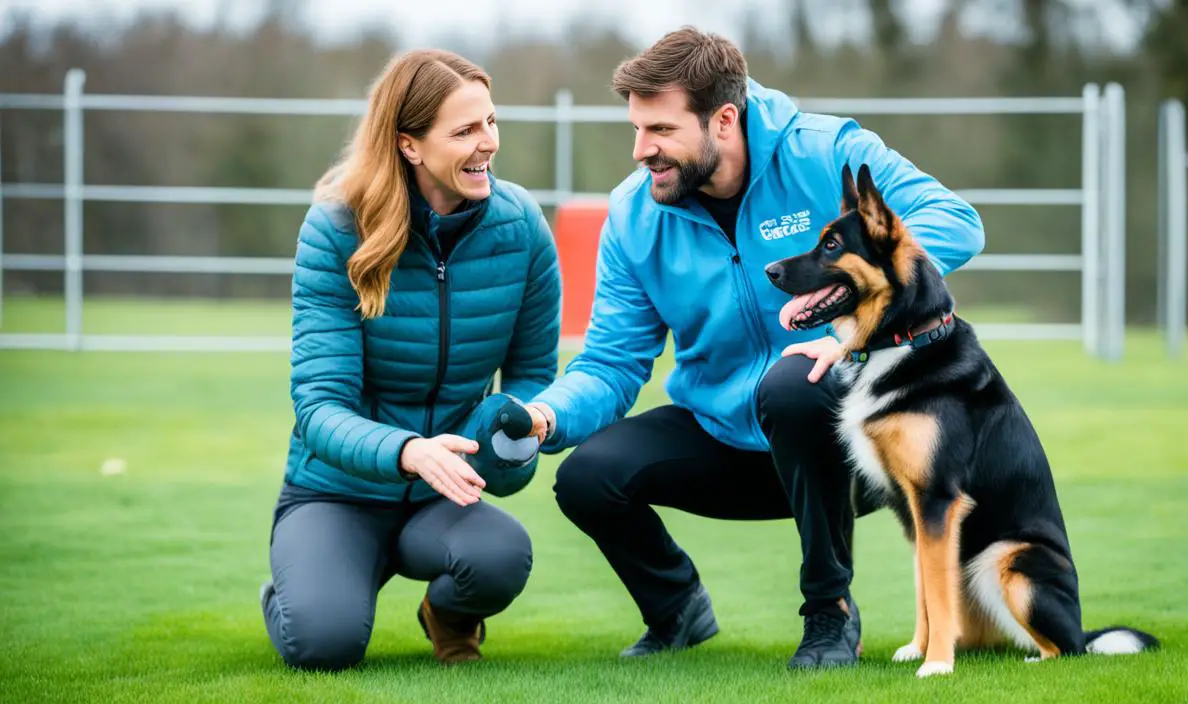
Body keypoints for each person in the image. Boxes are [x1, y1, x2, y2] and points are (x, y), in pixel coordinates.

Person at [516, 27, 984, 669]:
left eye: (659, 130)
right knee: (588, 477)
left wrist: (845, 335)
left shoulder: (825, 151)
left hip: (849, 448)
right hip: (728, 442)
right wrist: (550, 414)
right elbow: (612, 361)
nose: (639, 150)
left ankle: (830, 614)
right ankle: (676, 608)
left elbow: (955, 220)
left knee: (794, 385)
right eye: (636, 128)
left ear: (724, 120)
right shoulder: (633, 216)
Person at [259, 48, 562, 671]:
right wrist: (406, 451)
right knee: (324, 643)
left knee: (501, 557)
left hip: (442, 497)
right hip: (336, 493)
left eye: (491, 122)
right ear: (409, 145)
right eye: (465, 131)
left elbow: (533, 373)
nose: (488, 144)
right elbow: (319, 408)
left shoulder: (523, 227)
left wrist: (511, 429)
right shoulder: (336, 229)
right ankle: (302, 590)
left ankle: (447, 616)